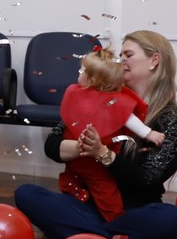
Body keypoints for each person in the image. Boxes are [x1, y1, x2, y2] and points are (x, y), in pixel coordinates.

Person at [14, 30, 177, 239]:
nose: (121, 61)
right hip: (84, 205)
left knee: (173, 218)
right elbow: (52, 146)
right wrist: (84, 146)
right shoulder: (95, 97)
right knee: (26, 194)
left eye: (128, 55)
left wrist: (102, 153)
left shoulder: (174, 118)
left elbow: (148, 178)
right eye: (120, 56)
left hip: (133, 213)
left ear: (154, 60)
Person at [57, 46, 165, 222]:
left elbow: (128, 118)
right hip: (75, 157)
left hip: (96, 163)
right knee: (71, 179)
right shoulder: (76, 92)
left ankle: (115, 220)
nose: (78, 73)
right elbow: (61, 129)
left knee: (105, 191)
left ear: (92, 79)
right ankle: (76, 195)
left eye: (82, 71)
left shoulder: (113, 100)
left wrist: (148, 133)